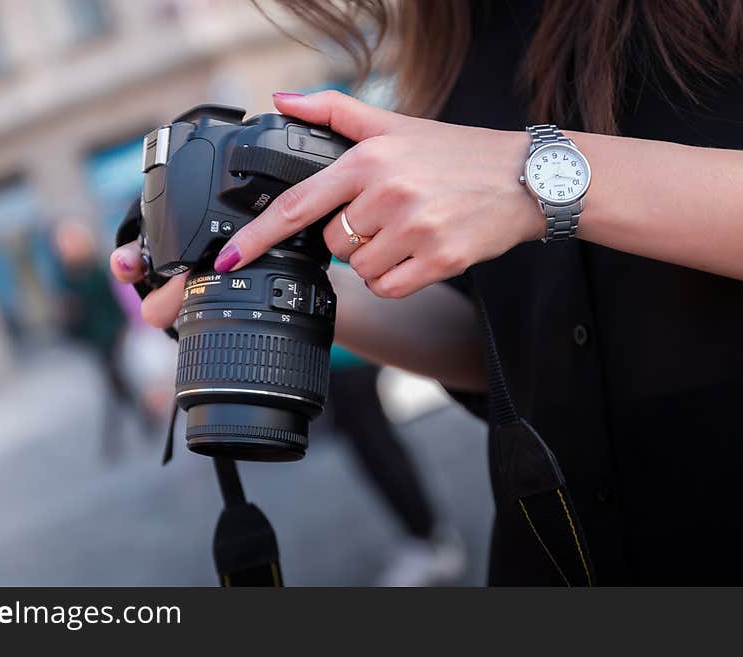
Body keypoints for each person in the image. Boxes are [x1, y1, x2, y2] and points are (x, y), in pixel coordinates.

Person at [112, 1, 743, 585]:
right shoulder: (455, 33)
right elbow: (502, 344)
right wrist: (276, 272)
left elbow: (519, 190)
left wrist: (532, 179)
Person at [327, 344, 466, 585]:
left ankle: (428, 539)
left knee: (373, 441)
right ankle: (427, 536)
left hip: (343, 350)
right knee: (369, 438)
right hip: (339, 349)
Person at [53, 220, 154, 459]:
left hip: (113, 333)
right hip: (95, 339)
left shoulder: (97, 267)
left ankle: (117, 438)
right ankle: (144, 420)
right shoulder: (66, 276)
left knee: (115, 385)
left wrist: (124, 325)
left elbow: (114, 298)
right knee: (117, 385)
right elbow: (69, 311)